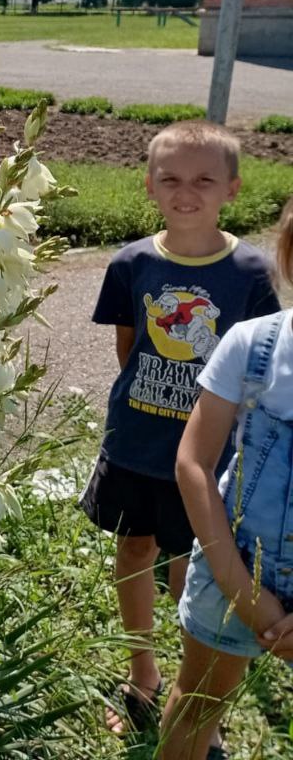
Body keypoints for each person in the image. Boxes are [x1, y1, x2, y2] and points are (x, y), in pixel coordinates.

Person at [79, 121, 280, 737]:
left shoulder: (252, 274)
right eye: (170, 179)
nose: (185, 192)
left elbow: (258, 365)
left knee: (194, 567)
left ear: (233, 189)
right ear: (148, 185)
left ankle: (195, 693)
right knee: (135, 550)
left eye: (203, 180)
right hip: (135, 444)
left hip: (211, 460)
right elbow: (129, 348)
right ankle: (144, 672)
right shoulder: (131, 262)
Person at [161, 196, 293, 760]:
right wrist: (245, 593)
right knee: (199, 700)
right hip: (231, 569)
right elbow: (193, 463)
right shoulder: (253, 344)